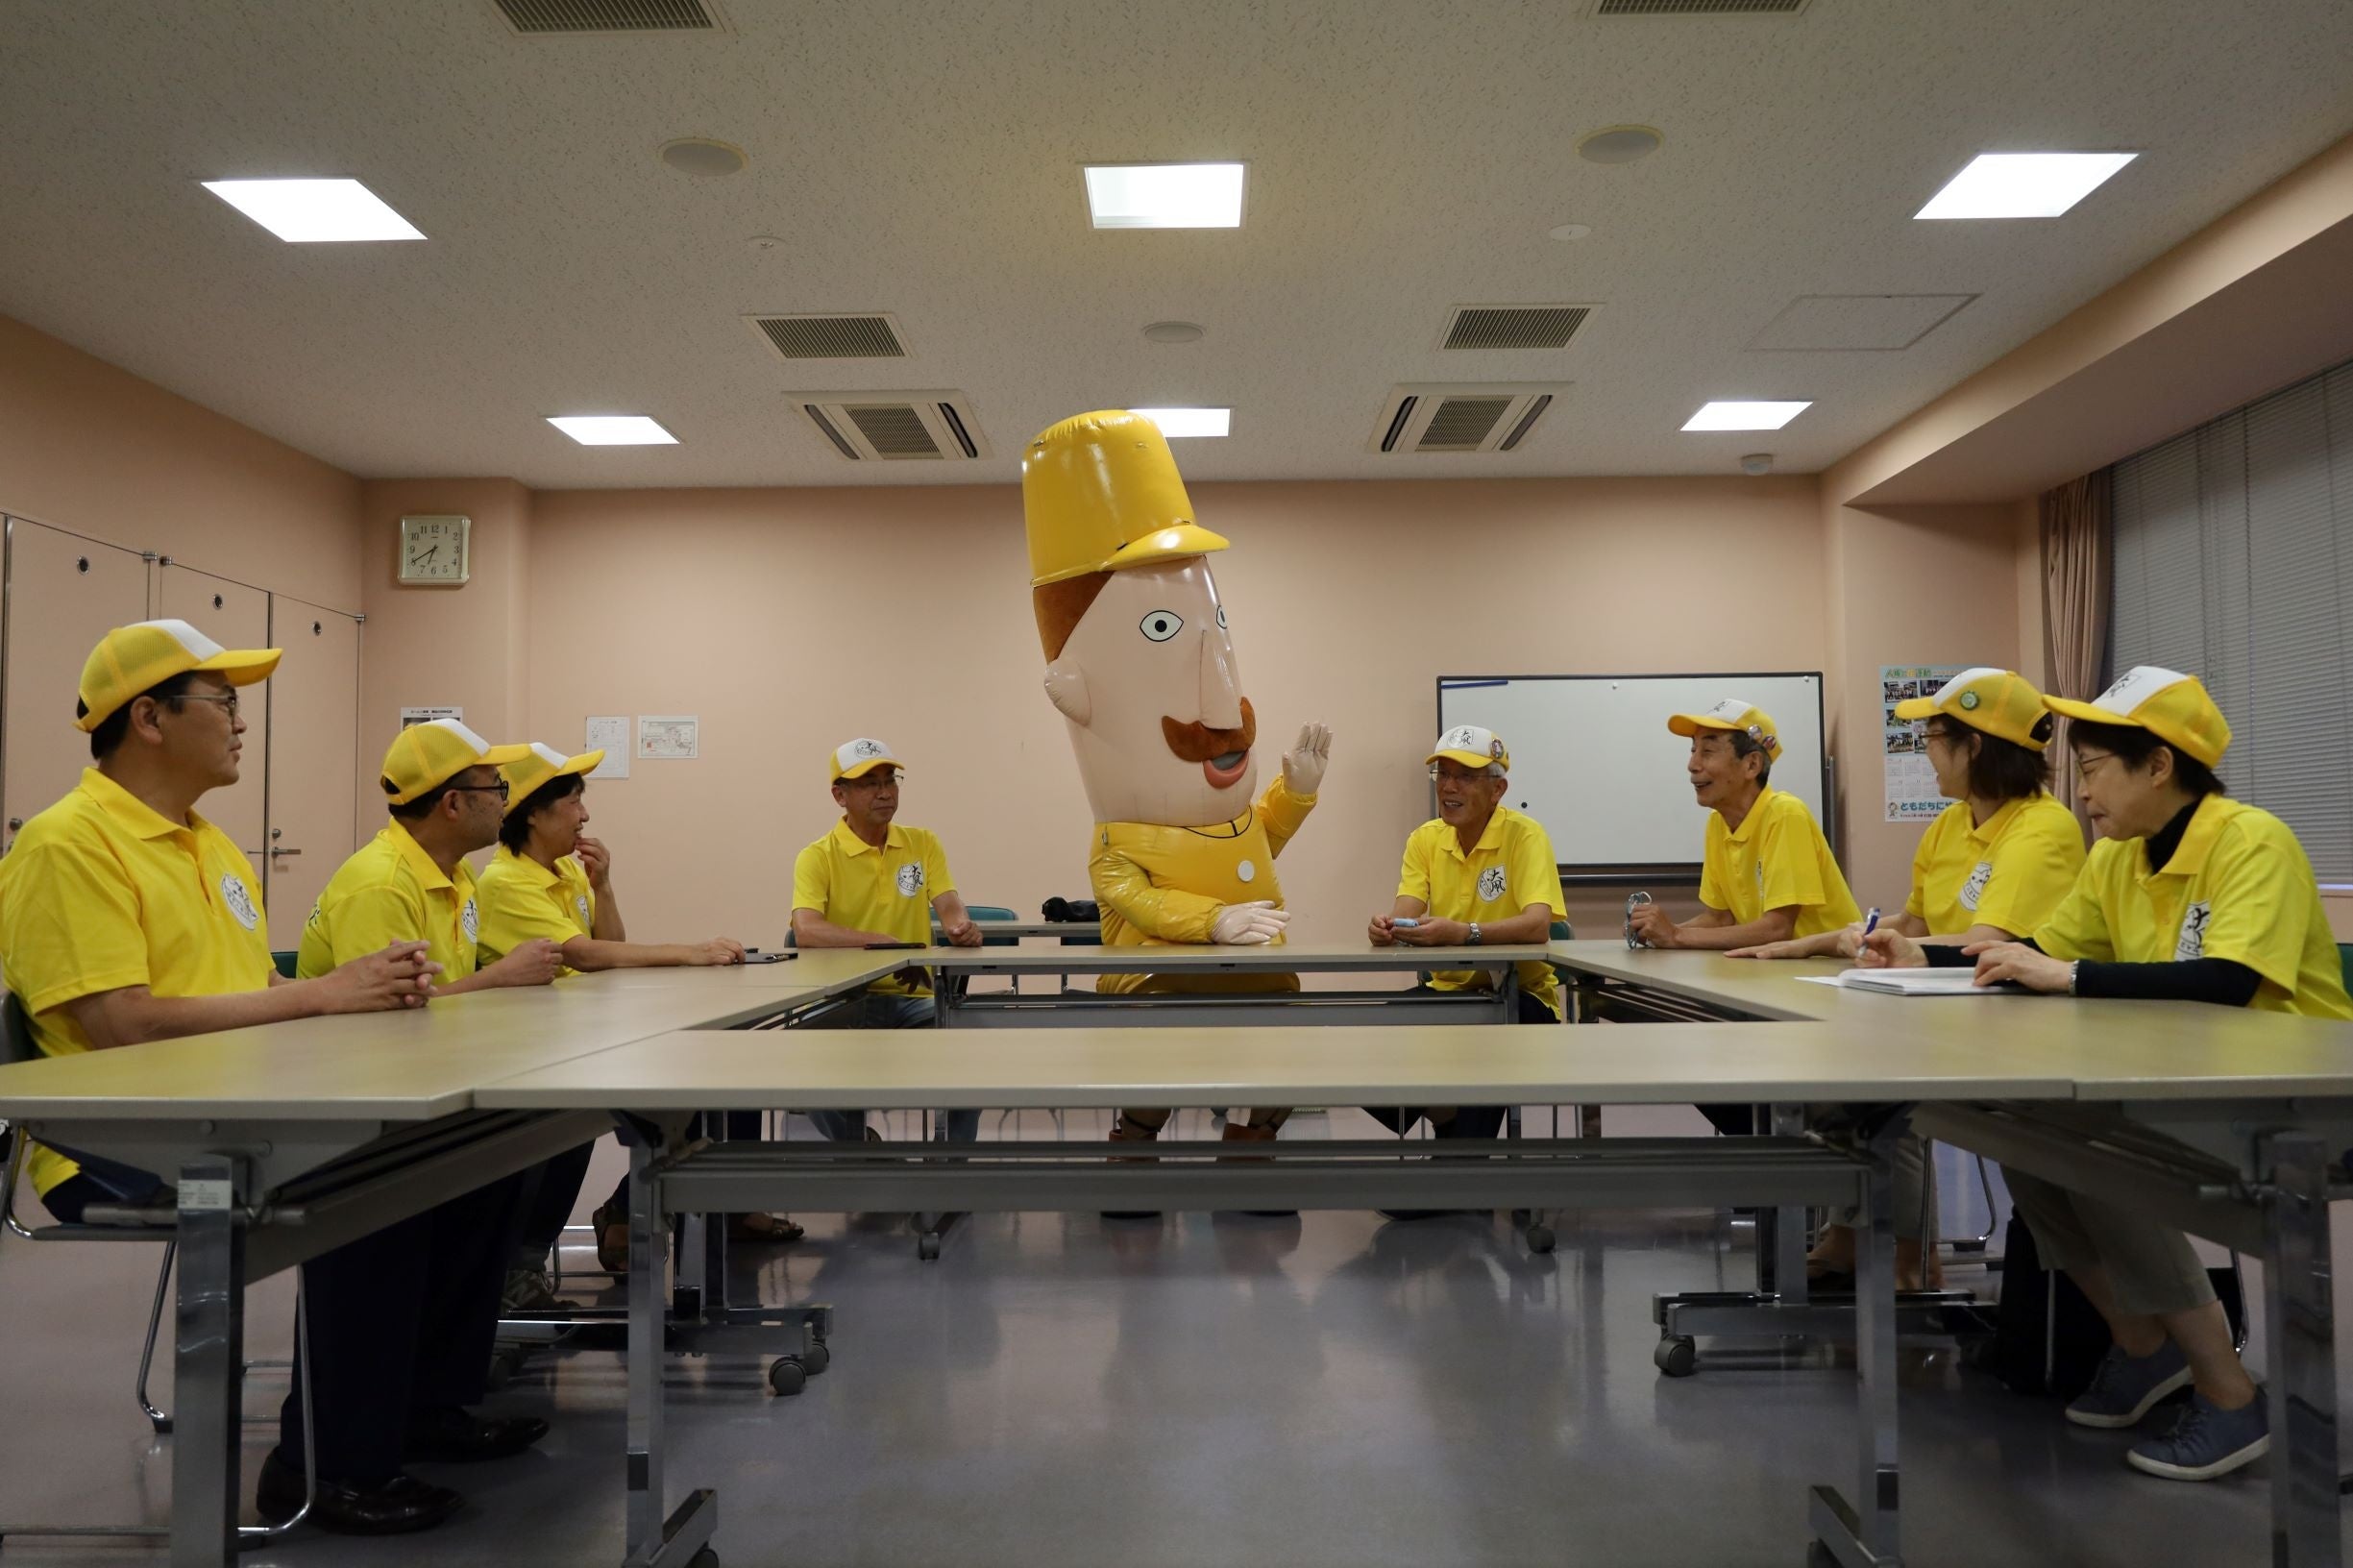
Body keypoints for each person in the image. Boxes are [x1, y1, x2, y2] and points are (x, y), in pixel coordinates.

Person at [0, 621, 469, 1536]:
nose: (241, 723)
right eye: (223, 703)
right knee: (371, 1185)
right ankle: (332, 1466)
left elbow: (255, 988)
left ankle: (426, 1410)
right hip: (121, 1136)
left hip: (231, 1107)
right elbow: (119, 1026)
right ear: (148, 717)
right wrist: (320, 1000)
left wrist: (353, 995)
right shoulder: (69, 844)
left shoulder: (207, 843)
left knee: (452, 1159)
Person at [1864, 666, 2353, 1482]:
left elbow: (2226, 980)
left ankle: (2231, 1395)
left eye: (2092, 771)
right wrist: (1929, 952)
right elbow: (2041, 951)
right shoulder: (2115, 858)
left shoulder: (2247, 839)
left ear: (2157, 765)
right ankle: (2141, 1345)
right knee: (2021, 1136)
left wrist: (2073, 979)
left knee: (2099, 1157)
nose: (2081, 792)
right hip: (2183, 1082)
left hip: (2290, 1099)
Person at [270, 718, 568, 1531]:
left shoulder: (452, 878)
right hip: (348, 1105)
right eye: (495, 790)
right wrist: (503, 978)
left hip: (413, 1094)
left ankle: (426, 1409)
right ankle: (331, 1464)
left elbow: (435, 1001)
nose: (504, 802)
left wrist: (494, 985)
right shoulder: (381, 882)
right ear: (451, 803)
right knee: (394, 1219)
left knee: (491, 1182)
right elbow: (382, 1014)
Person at [1021, 409, 1334, 1158]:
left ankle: (1247, 1145)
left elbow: (1260, 838)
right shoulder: (1114, 845)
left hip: (1259, 979)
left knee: (1283, 1063)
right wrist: (1214, 923)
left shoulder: (1231, 816)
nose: (1225, 713)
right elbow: (1137, 900)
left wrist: (1296, 793)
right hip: (1158, 986)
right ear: (1071, 692)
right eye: (1158, 629)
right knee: (1154, 1070)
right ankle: (1133, 1149)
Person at [1730, 669, 2087, 1288]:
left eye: (1933, 738)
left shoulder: (2042, 827)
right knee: (1841, 1083)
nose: (1925, 753)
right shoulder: (1952, 823)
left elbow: (1987, 943)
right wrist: (1820, 941)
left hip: (2020, 1030)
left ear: (1973, 746)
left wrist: (1892, 945)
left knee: (1879, 1092)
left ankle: (1907, 1254)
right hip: (1943, 1015)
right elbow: (1915, 922)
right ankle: (1851, 1234)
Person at [477, 742, 750, 1298]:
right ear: (533, 812)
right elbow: (583, 955)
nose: (584, 815)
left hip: (576, 1033)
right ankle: (522, 1261)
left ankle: (626, 1208)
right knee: (587, 1119)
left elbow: (609, 944)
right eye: (574, 802)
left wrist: (601, 886)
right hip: (529, 1052)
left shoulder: (561, 872)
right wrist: (687, 951)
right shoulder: (507, 882)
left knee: (705, 1082)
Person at [1366, 725, 1567, 1220]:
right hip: (1449, 994)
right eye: (1443, 775)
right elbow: (1407, 910)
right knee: (1374, 1032)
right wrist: (1390, 927)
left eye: (1465, 777)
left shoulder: (1525, 836)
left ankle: (1458, 1176)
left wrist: (1467, 934)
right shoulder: (1425, 839)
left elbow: (1539, 923)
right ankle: (1453, 1136)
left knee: (1484, 1036)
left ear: (1498, 789)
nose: (1449, 787)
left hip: (1524, 996)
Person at [790, 738, 983, 1142]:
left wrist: (961, 926)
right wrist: (881, 943)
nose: (884, 792)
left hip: (913, 999)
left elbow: (948, 903)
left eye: (890, 780)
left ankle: (950, 1166)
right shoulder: (818, 856)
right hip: (840, 998)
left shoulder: (921, 842)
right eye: (868, 784)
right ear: (839, 795)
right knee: (795, 1056)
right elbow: (806, 929)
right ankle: (863, 1149)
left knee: (970, 1051)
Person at [1628, 698, 1860, 952]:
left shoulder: (1785, 814)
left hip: (1829, 973)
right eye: (1693, 750)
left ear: (1751, 764)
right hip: (1778, 971)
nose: (1692, 765)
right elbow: (1719, 919)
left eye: (1707, 751)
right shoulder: (1718, 823)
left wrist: (1676, 935)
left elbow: (1777, 929)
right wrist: (1657, 934)